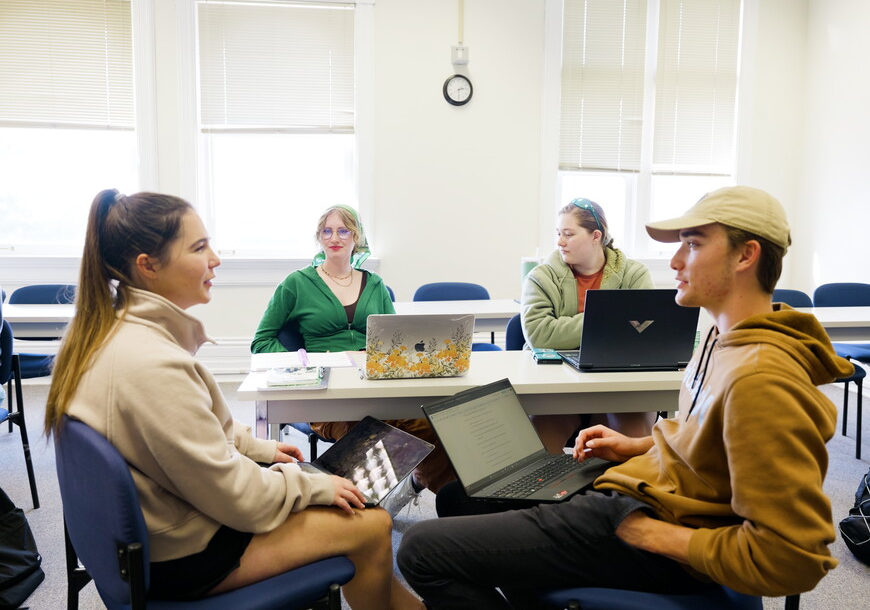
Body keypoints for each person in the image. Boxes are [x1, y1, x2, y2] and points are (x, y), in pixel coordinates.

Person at [397, 186, 853, 609]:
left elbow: (793, 557)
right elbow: (709, 440)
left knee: (419, 551)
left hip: (658, 531)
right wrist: (637, 446)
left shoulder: (762, 378)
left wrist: (646, 533)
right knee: (459, 498)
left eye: (692, 245)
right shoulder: (722, 335)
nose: (674, 261)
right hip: (641, 489)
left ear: (745, 256)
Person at [44, 190, 424, 610]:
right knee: (372, 524)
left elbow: (189, 428)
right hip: (189, 555)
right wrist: (310, 484)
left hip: (160, 529)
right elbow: (241, 501)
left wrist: (257, 447)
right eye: (199, 247)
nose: (216, 259)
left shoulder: (107, 334)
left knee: (340, 495)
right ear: (148, 266)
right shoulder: (154, 364)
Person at [251, 204, 456, 503]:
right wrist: (307, 362)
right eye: (327, 231)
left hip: (373, 384)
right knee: (369, 431)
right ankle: (367, 506)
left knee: (426, 425)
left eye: (343, 230)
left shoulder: (374, 284)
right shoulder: (296, 284)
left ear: (356, 237)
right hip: (326, 398)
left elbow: (395, 341)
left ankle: (456, 503)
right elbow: (261, 342)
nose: (335, 237)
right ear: (319, 237)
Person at [522, 198, 656, 451]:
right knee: (535, 454)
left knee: (634, 449)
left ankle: (610, 490)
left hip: (620, 388)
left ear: (596, 235)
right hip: (556, 389)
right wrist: (610, 319)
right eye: (558, 234)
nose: (560, 242)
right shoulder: (540, 277)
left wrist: (570, 326)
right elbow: (540, 335)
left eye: (569, 234)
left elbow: (643, 335)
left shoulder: (634, 274)